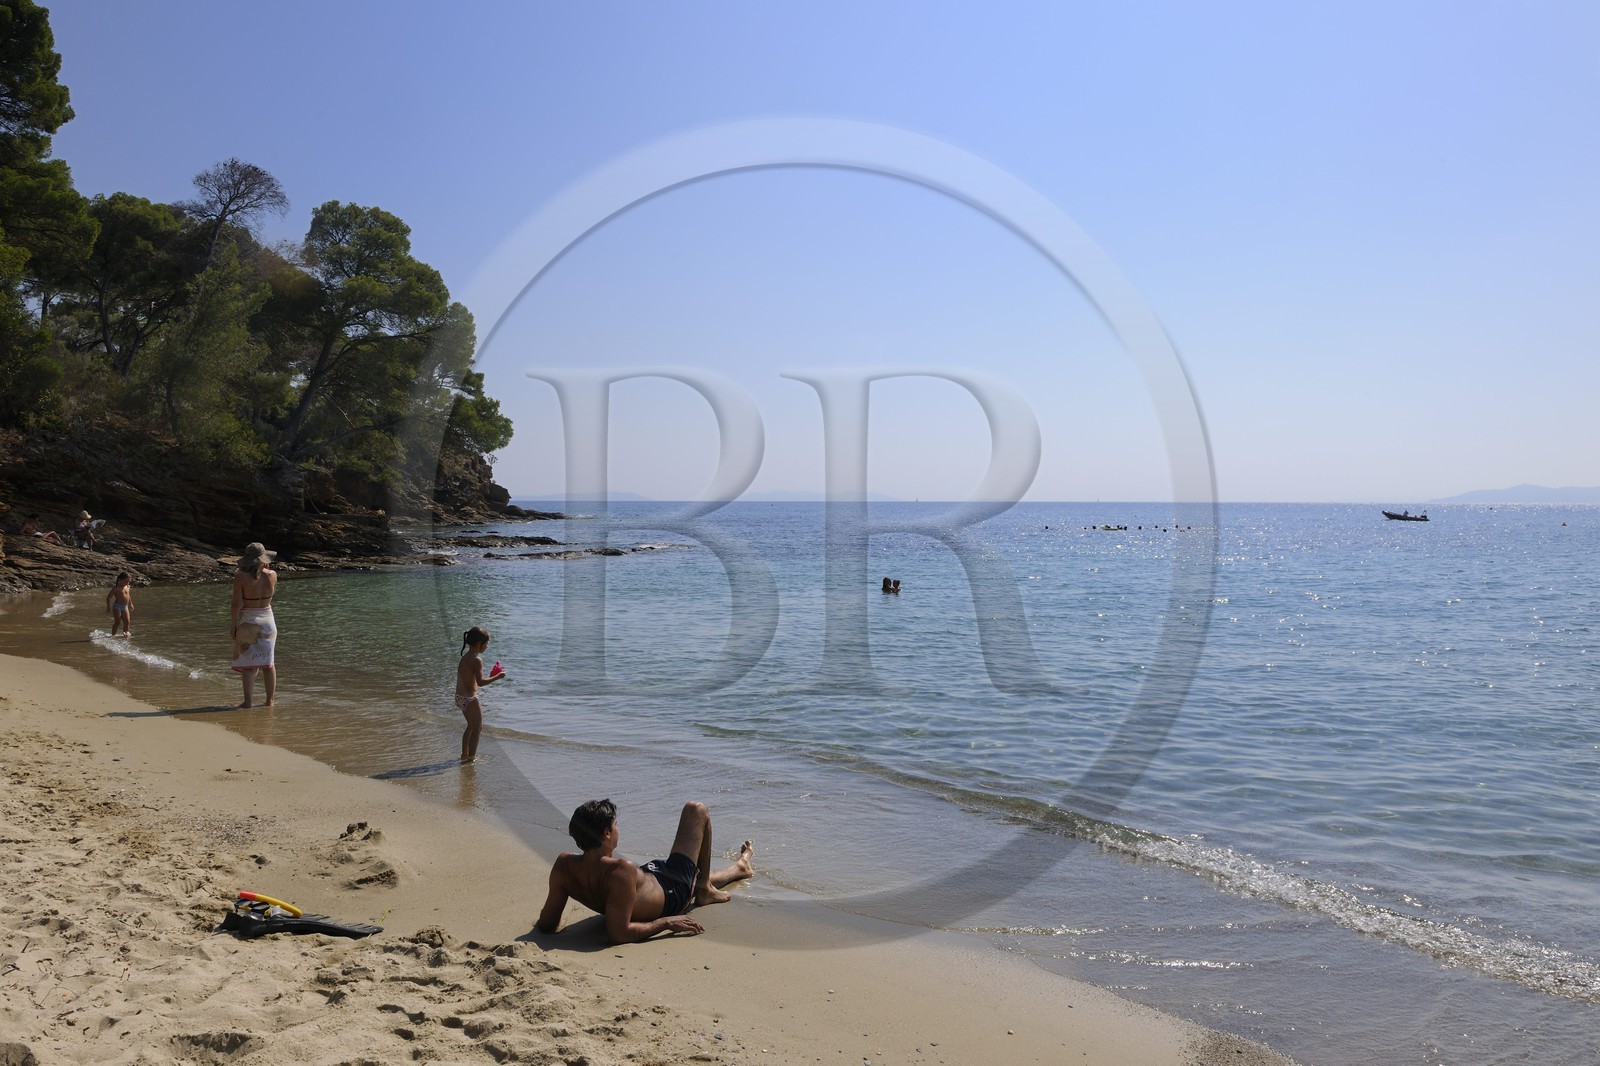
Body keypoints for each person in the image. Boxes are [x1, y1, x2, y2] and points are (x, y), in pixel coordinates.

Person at [537, 799, 754, 944]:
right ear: (607, 834)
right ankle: (704, 890)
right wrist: (666, 922)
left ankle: (739, 868)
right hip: (673, 892)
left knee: (686, 872)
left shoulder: (564, 865)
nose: (617, 829)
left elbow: (547, 924)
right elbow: (619, 934)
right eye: (615, 825)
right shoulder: (620, 871)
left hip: (651, 877)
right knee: (696, 810)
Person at [230, 542, 278, 708]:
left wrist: (233, 625)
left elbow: (236, 603)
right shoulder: (272, 575)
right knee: (268, 664)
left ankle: (248, 702)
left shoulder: (240, 576)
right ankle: (269, 701)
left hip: (248, 621)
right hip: (268, 621)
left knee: (249, 666)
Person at [454, 626, 506, 762]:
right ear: (479, 644)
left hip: (460, 697)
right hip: (470, 699)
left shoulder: (465, 657)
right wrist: (498, 676)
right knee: (477, 728)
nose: (487, 646)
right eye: (486, 643)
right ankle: (471, 758)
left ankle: (464, 754)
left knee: (471, 726)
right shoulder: (477, 660)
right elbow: (481, 682)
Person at [106, 571, 134, 637]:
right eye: (126, 581)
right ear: (120, 580)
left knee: (127, 622)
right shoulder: (116, 588)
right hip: (117, 607)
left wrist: (131, 604)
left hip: (125, 606)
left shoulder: (127, 586)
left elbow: (128, 596)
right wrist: (108, 607)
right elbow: (108, 597)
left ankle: (126, 634)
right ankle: (113, 635)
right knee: (117, 622)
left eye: (128, 581)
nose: (127, 583)